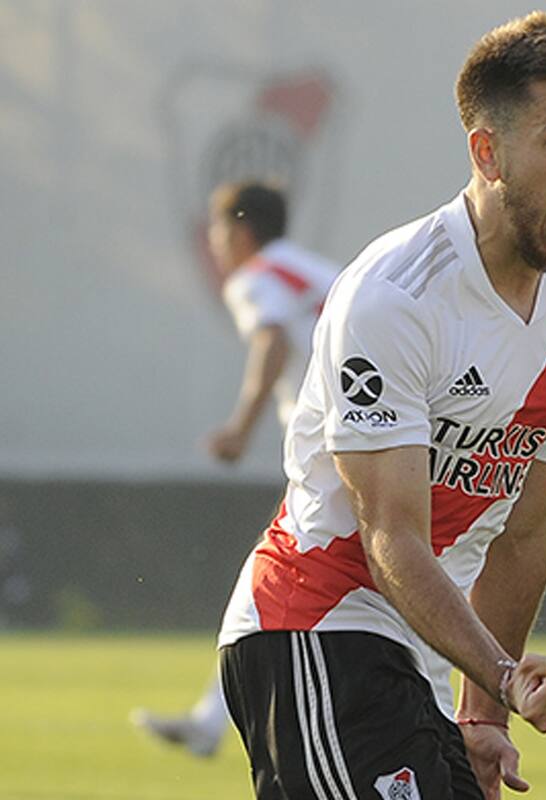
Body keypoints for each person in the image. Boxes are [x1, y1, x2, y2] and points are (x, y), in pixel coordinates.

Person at [217, 12, 546, 800]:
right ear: (487, 150)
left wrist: (483, 719)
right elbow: (389, 537)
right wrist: (505, 677)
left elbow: (526, 528)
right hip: (316, 626)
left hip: (425, 658)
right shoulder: (395, 297)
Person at [132, 181, 340, 757]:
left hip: (339, 448)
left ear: (241, 231)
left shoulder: (255, 276)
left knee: (275, 578)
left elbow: (272, 338)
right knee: (274, 579)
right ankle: (209, 720)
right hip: (378, 436)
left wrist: (239, 429)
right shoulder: (311, 268)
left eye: (218, 231)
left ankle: (459, 712)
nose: (215, 244)